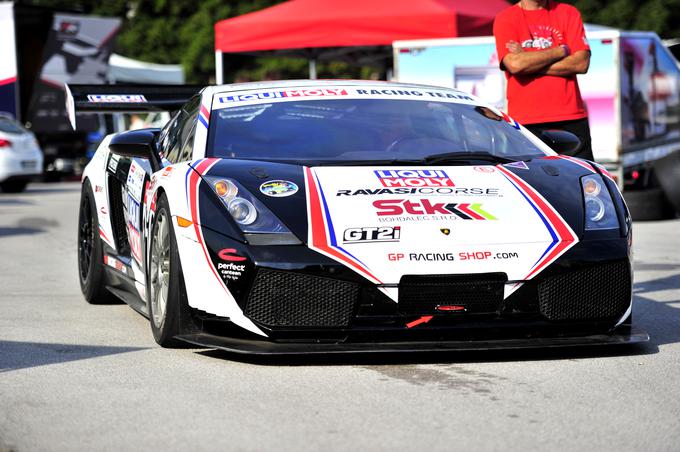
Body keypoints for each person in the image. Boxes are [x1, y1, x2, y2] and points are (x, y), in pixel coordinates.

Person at [493, 0, 594, 160]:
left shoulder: (568, 13)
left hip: (571, 118)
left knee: (581, 180)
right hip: (526, 121)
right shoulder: (506, 18)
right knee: (531, 182)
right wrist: (562, 50)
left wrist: (528, 57)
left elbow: (581, 63)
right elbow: (515, 64)